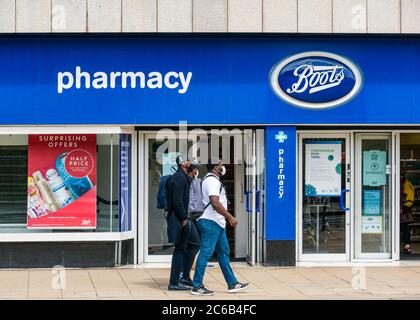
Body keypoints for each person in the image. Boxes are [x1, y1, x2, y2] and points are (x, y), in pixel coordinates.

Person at [191, 160, 250, 296]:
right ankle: (197, 286)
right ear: (216, 167)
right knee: (206, 252)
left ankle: (233, 283)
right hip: (210, 222)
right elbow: (215, 203)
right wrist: (230, 217)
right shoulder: (212, 181)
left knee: (224, 252)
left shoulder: (210, 180)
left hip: (217, 222)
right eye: (221, 164)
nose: (223, 167)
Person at [167, 155, 200, 290]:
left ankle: (185, 277)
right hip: (181, 219)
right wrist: (183, 219)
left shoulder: (183, 177)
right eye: (189, 162)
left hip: (184, 218)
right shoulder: (179, 178)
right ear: (183, 164)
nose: (192, 163)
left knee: (195, 244)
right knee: (180, 249)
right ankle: (174, 282)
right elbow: (177, 201)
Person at [401, 175, 415, 254]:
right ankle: (407, 246)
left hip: (403, 209)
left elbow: (402, 196)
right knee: (405, 228)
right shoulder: (409, 184)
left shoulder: (402, 184)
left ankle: (406, 246)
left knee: (403, 228)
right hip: (407, 209)